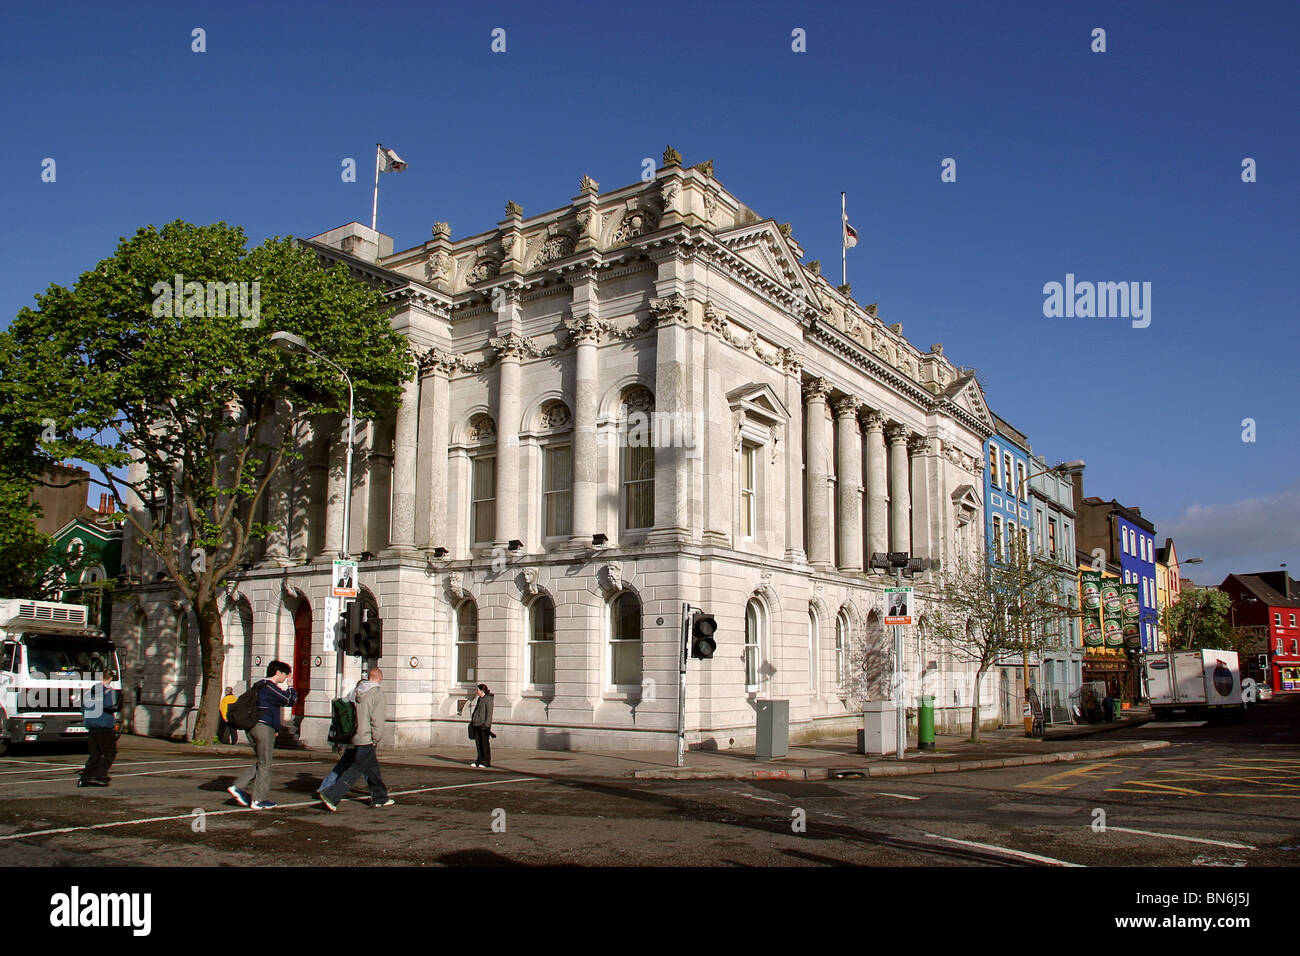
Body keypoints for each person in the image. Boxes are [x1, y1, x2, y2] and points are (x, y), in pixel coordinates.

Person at [318, 668, 392, 810]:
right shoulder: (377, 694)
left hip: (353, 735)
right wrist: (376, 738)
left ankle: (380, 797)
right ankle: (331, 795)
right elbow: (377, 720)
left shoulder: (355, 691)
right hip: (366, 737)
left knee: (372, 769)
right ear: (379, 678)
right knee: (356, 769)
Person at [227, 661, 297, 810]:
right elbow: (290, 700)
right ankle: (258, 799)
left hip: (252, 726)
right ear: (278, 672)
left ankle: (239, 787)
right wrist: (290, 686)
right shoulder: (269, 687)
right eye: (285, 674)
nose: (285, 678)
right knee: (266, 763)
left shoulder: (258, 686)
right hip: (263, 727)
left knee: (262, 760)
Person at [79, 669, 119, 787]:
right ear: (111, 678)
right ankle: (99, 775)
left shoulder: (90, 692)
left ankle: (85, 777)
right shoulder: (108, 692)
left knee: (95, 754)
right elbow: (111, 706)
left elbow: (82, 708)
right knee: (110, 752)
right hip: (104, 725)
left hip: (92, 726)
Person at [468, 683, 494, 769]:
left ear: (482, 691)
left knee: (484, 744)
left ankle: (486, 761)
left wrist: (486, 725)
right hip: (476, 724)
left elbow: (489, 713)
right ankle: (479, 760)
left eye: (478, 690)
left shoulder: (488, 700)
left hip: (483, 725)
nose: (476, 692)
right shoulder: (480, 699)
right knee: (478, 744)